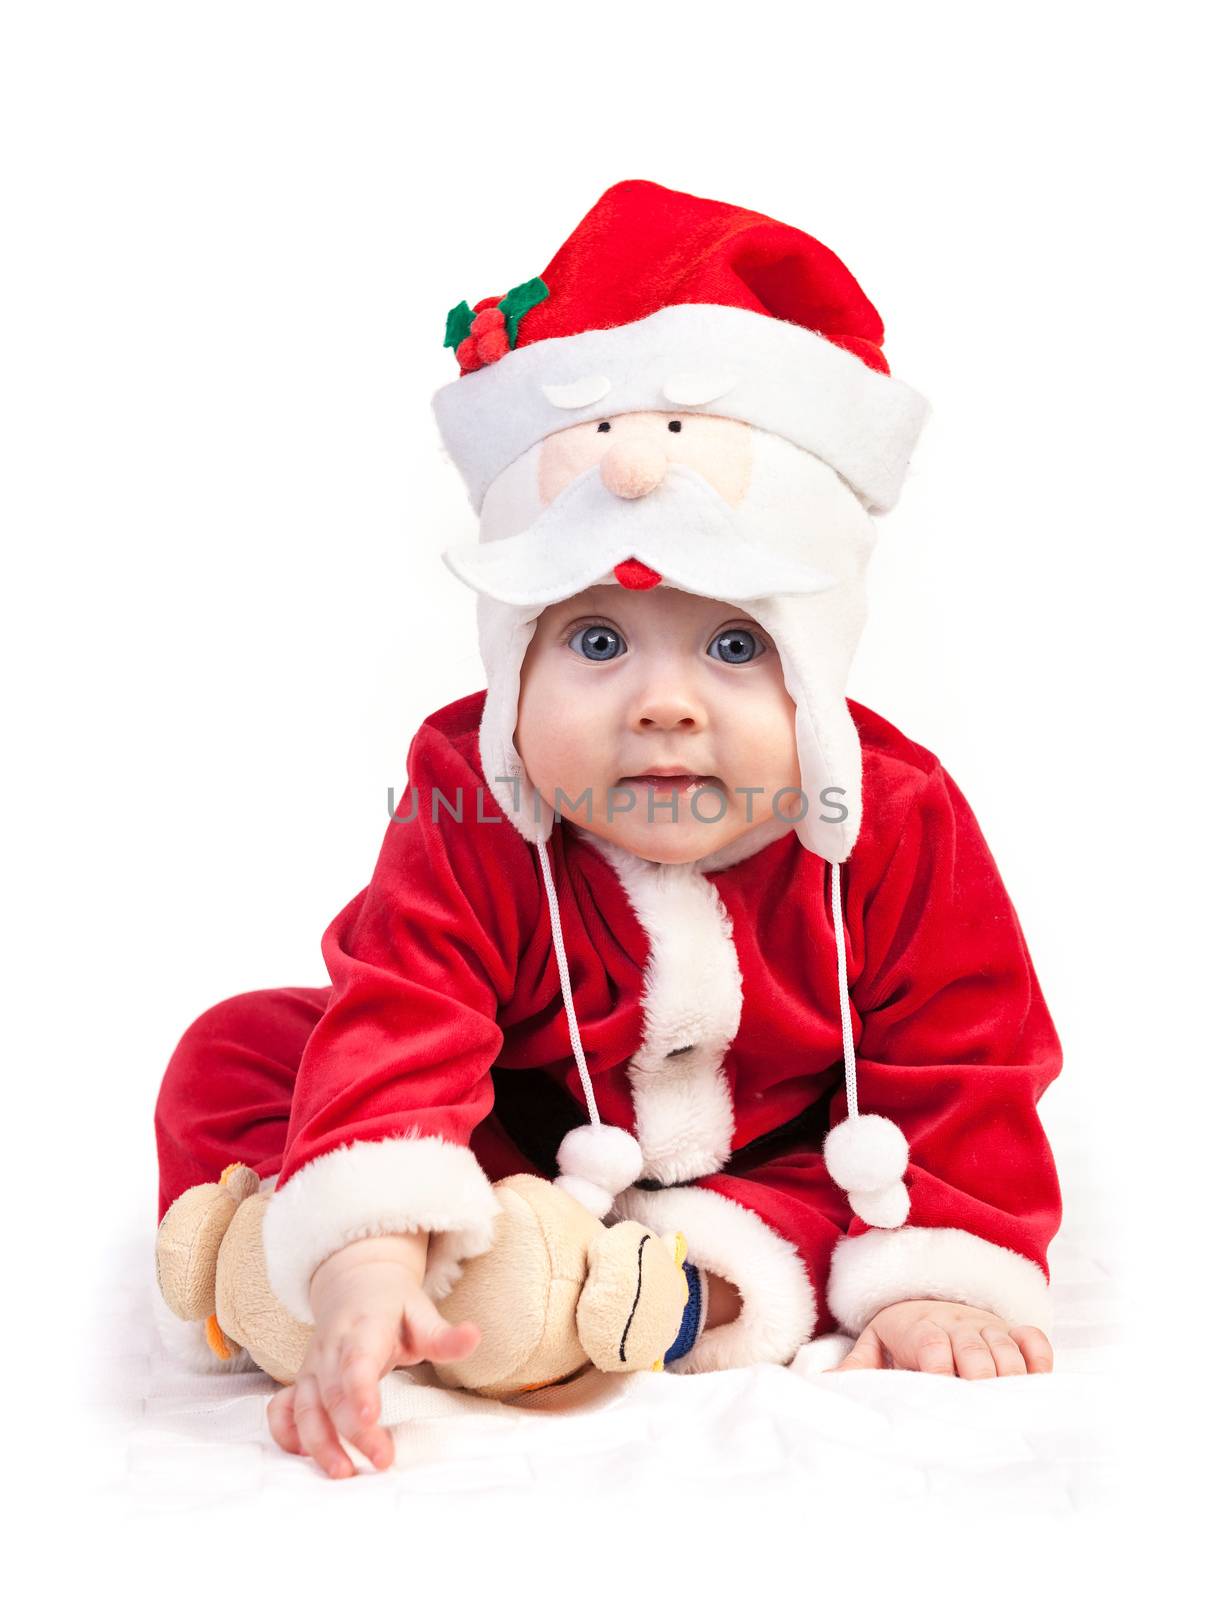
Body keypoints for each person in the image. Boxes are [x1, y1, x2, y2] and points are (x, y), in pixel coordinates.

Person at [153, 180, 1062, 1479]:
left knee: (827, 1202)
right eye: (593, 640)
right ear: (512, 666)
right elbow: (407, 1005)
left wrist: (947, 1273)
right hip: (511, 1123)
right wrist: (364, 1241)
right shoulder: (470, 789)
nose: (666, 707)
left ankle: (665, 1293)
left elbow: (966, 1059)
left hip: (772, 1147)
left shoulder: (896, 817)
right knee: (245, 1046)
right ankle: (307, 1263)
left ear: (815, 672)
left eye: (737, 644)